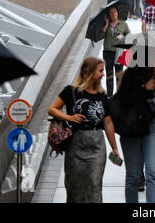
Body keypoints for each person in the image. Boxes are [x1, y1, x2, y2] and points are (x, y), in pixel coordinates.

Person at [47, 57, 121, 203]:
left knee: (94, 185)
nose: (103, 74)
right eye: (100, 71)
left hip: (96, 146)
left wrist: (114, 148)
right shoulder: (70, 91)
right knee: (74, 186)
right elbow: (52, 109)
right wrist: (69, 117)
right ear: (90, 71)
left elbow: (108, 123)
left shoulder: (102, 96)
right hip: (75, 145)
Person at [115, 66, 155, 203]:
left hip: (151, 126)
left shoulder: (154, 76)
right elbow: (124, 102)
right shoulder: (130, 75)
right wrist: (144, 89)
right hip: (132, 129)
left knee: (153, 172)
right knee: (133, 176)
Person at [102, 6, 131, 96]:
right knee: (109, 74)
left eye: (115, 12)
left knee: (119, 74)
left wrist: (123, 37)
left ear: (117, 13)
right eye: (111, 13)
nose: (113, 14)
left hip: (119, 52)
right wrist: (106, 25)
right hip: (108, 52)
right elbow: (100, 36)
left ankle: (119, 95)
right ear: (109, 15)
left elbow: (129, 36)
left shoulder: (123, 24)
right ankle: (110, 95)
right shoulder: (105, 24)